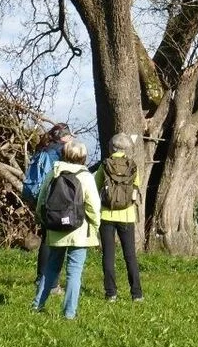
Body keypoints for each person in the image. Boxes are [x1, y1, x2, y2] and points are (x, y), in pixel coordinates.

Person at [33, 139, 101, 319]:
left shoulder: (54, 173)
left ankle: (37, 304)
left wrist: (43, 220)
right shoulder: (86, 176)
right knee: (74, 271)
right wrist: (95, 226)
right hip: (79, 230)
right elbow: (93, 206)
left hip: (56, 228)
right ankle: (69, 312)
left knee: (51, 268)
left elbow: (41, 200)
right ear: (83, 157)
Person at [93, 133, 143, 302]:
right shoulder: (133, 166)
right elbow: (137, 186)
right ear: (126, 148)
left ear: (112, 148)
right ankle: (136, 294)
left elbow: (96, 186)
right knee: (130, 255)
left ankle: (111, 293)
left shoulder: (105, 165)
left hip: (107, 214)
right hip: (127, 215)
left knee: (108, 254)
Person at [27, 123, 72, 295]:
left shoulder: (43, 149)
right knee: (57, 241)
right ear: (63, 137)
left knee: (46, 238)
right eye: (69, 137)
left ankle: (41, 278)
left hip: (42, 197)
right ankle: (52, 283)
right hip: (57, 198)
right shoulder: (61, 151)